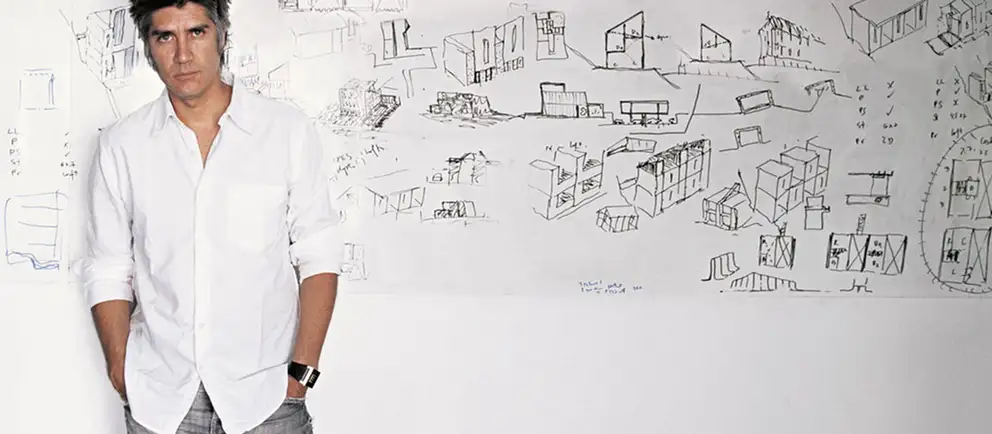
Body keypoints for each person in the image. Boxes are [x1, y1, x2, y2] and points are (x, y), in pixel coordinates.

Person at [79, 0, 344, 432]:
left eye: (197, 32)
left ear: (222, 34)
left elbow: (318, 253)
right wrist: (120, 369)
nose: (182, 54)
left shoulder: (285, 131)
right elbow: (108, 266)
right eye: (165, 36)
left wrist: (302, 373)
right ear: (148, 47)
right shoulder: (122, 145)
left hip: (267, 397)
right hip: (161, 401)